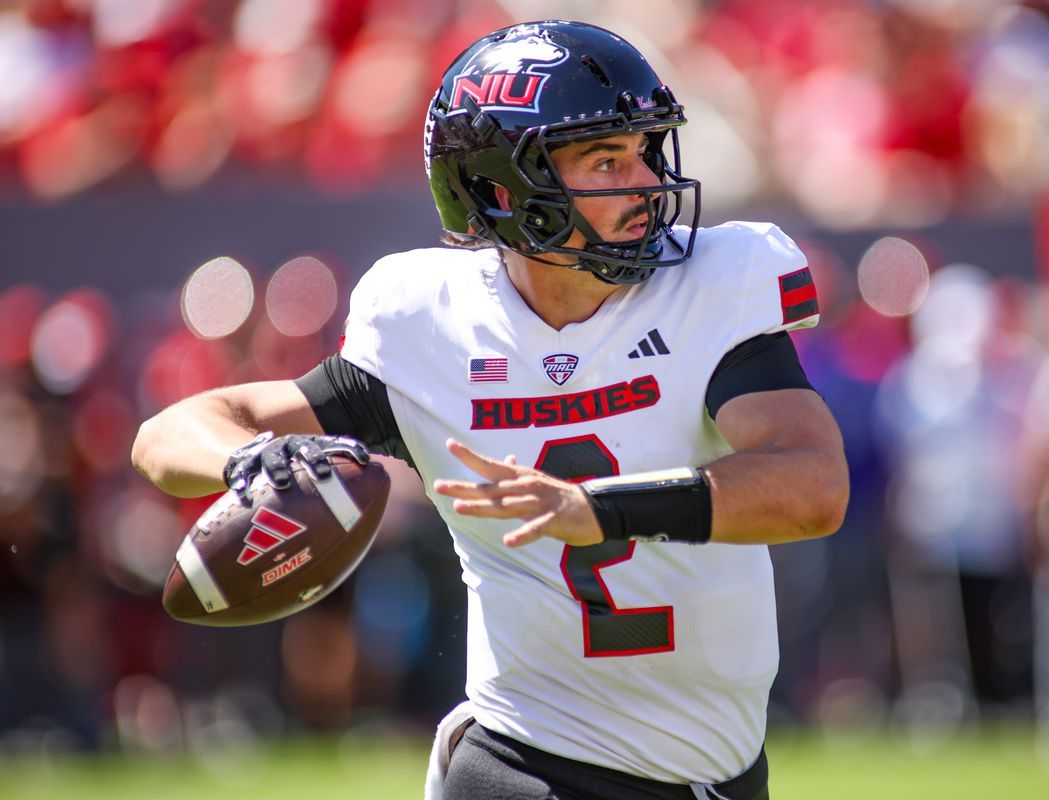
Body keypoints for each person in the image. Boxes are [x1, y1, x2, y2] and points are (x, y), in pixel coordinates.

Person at [132, 20, 848, 800]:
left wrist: (595, 510)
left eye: (646, 150)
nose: (645, 181)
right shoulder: (429, 324)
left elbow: (813, 485)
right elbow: (165, 436)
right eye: (607, 160)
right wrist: (244, 461)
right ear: (504, 191)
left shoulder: (713, 284)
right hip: (527, 765)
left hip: (719, 775)